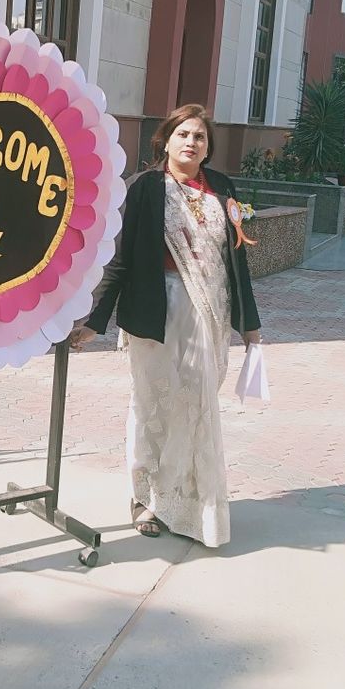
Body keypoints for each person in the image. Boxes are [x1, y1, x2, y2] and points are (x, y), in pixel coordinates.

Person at [69, 104, 261, 547]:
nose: (191, 142)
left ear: (208, 147)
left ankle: (192, 504)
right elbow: (121, 261)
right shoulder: (145, 189)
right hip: (158, 313)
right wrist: (96, 322)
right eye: (183, 134)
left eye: (200, 137)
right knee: (153, 405)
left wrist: (250, 324)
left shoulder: (223, 191)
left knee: (195, 408)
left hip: (210, 313)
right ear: (166, 140)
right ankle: (145, 499)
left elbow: (238, 262)